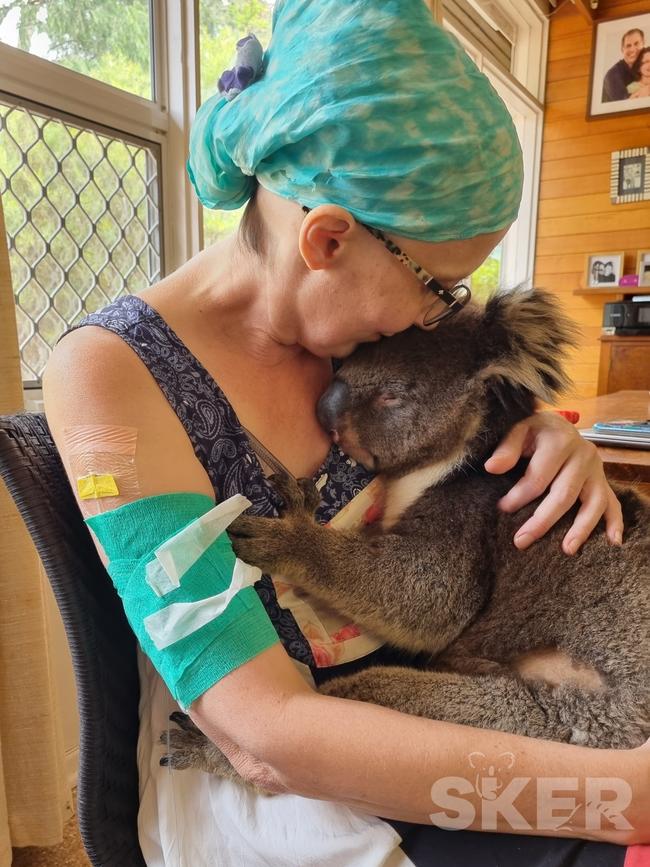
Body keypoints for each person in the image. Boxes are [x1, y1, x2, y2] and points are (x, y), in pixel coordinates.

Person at [43, 2, 648, 865]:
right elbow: (264, 734)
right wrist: (620, 797)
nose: (449, 310)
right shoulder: (109, 374)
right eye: (441, 285)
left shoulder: (371, 331)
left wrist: (557, 443)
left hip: (457, 685)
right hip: (286, 769)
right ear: (328, 240)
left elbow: (473, 410)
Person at [602, 27, 645, 102]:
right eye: (628, 46)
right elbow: (624, 104)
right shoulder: (612, 75)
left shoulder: (645, 68)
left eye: (636, 43)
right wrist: (644, 83)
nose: (633, 49)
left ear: (643, 44)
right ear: (622, 49)